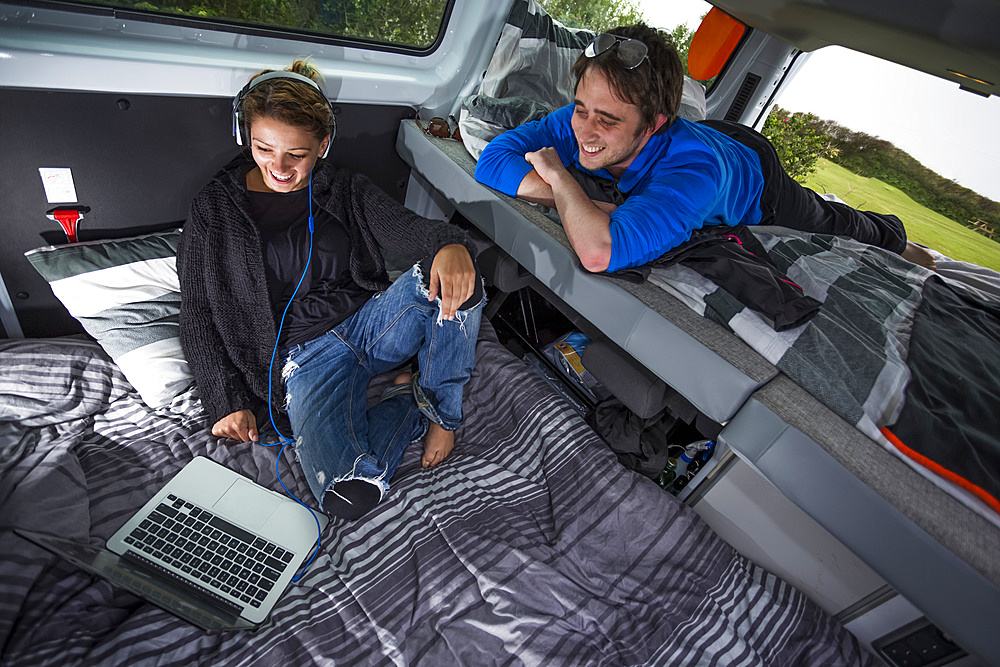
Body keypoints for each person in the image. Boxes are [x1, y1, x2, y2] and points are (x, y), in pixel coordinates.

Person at [178, 60, 484, 520]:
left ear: (323, 144)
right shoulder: (213, 209)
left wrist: (448, 244)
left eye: (296, 155)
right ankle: (406, 400)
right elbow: (197, 312)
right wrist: (225, 401)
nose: (278, 168)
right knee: (349, 494)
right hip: (303, 362)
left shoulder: (344, 189)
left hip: (370, 325)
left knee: (463, 282)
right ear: (244, 136)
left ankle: (442, 412)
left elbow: (406, 229)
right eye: (264, 149)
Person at [474, 24, 936, 274]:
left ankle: (894, 235)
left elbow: (599, 252)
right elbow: (493, 160)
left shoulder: (693, 172)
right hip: (710, 133)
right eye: (580, 109)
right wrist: (584, 198)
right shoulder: (577, 122)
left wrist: (557, 177)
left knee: (831, 220)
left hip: (753, 176)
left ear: (652, 125)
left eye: (608, 120)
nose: (585, 131)